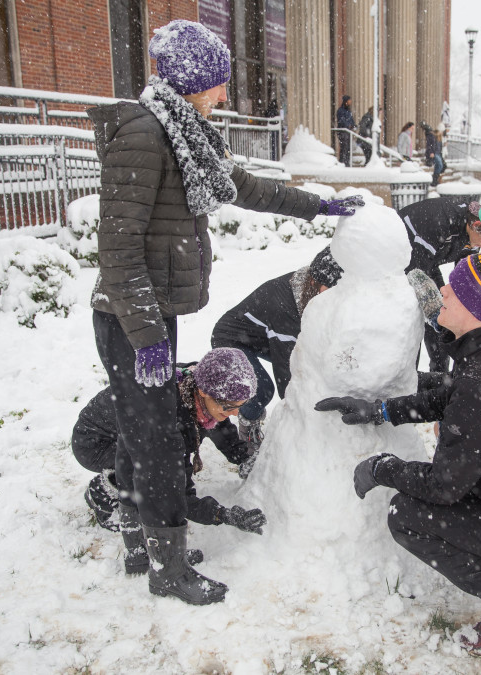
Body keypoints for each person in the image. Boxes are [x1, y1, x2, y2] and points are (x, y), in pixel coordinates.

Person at [85, 19, 363, 605]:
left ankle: (142, 544)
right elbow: (118, 250)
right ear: (190, 83)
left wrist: (320, 206)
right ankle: (168, 568)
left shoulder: (185, 135)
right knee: (158, 442)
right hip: (131, 320)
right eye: (216, 85)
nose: (224, 97)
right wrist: (147, 338)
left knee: (143, 433)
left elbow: (248, 188)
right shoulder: (143, 134)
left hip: (153, 314)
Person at [315, 237, 481, 660]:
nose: (442, 291)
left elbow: (444, 487)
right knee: (460, 479)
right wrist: (380, 409)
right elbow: (450, 397)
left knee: (406, 516)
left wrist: (382, 468)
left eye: (454, 290)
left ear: (476, 309)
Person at [74, 349, 268, 595]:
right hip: (95, 442)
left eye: (241, 406)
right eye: (230, 406)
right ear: (205, 392)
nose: (235, 413)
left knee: (157, 463)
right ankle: (103, 492)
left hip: (128, 430)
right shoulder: (172, 419)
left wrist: (244, 458)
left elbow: (220, 426)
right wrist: (224, 515)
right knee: (149, 476)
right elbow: (179, 495)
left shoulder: (195, 384)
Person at [210, 246, 344, 462]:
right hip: (231, 339)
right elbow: (287, 375)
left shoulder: (313, 292)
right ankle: (248, 429)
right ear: (314, 282)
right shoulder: (286, 306)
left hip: (262, 339)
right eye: (331, 289)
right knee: (261, 389)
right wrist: (302, 422)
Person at [397, 198, 481, 371]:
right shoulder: (438, 222)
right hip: (401, 262)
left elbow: (466, 275)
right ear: (476, 225)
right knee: (418, 317)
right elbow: (416, 273)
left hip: (428, 262)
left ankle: (440, 376)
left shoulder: (475, 234)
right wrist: (435, 309)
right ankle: (407, 379)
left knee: (444, 320)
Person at [422, 121, 446, 187]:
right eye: (441, 131)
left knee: (440, 166)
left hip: (438, 153)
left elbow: (439, 147)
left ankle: (435, 180)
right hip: (434, 153)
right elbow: (429, 145)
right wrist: (431, 152)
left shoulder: (439, 138)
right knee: (440, 165)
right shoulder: (432, 135)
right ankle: (434, 179)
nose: (442, 132)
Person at [336, 95, 356, 166]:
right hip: (343, 132)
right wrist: (348, 125)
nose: (350, 102)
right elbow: (341, 120)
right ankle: (342, 162)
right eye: (349, 101)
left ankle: (347, 162)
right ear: (345, 102)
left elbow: (351, 120)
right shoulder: (340, 110)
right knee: (344, 147)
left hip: (348, 132)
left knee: (348, 148)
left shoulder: (348, 111)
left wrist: (354, 125)